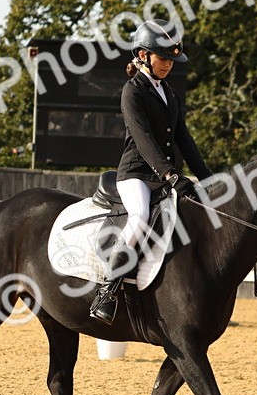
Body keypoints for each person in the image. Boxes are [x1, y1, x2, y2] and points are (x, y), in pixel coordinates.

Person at [90, 20, 213, 324]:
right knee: (141, 217)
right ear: (144, 55)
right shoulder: (133, 92)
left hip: (163, 175)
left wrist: (208, 177)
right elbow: (144, 139)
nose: (169, 65)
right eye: (163, 58)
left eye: (172, 60)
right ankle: (108, 289)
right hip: (136, 174)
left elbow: (184, 139)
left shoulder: (169, 94)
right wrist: (170, 174)